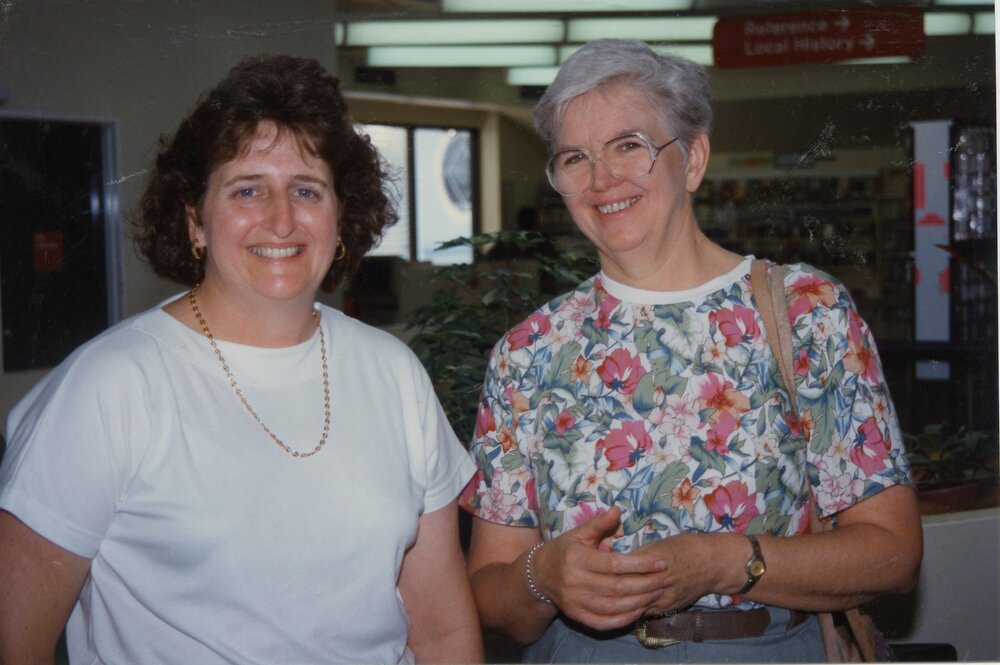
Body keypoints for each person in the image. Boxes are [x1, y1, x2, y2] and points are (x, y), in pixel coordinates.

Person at [0, 54, 482, 665]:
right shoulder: (111, 386)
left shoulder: (391, 371)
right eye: (248, 189)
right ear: (196, 220)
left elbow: (442, 632)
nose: (281, 219)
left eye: (307, 190)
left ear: (341, 221)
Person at [460, 39, 922, 663]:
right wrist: (544, 576)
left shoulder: (805, 313)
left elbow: (893, 553)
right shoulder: (529, 352)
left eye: (630, 146)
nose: (601, 180)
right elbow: (491, 595)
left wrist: (724, 562)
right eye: (575, 157)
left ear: (694, 158)